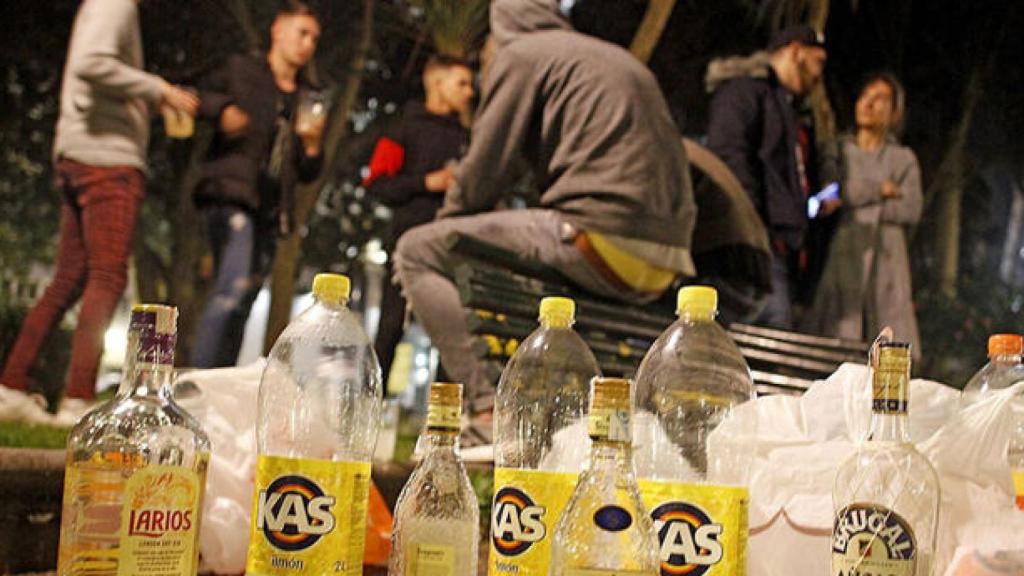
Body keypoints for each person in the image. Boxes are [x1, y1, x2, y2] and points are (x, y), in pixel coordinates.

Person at [394, 0, 696, 444]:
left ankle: (487, 410)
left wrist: (452, 233)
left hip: (598, 237)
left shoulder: (522, 54)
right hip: (666, 260)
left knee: (416, 250)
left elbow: (482, 170)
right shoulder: (607, 57)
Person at [0, 0, 198, 424]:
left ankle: (11, 387)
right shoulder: (116, 3)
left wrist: (145, 103)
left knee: (69, 278)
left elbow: (96, 72)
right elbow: (93, 64)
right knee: (108, 276)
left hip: (77, 152)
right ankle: (77, 399)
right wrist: (158, 89)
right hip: (107, 160)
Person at [190, 1, 324, 368]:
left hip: (272, 207)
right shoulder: (242, 70)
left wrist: (312, 148)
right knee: (230, 289)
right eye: (302, 33)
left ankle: (220, 383)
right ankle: (198, 385)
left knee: (245, 299)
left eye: (314, 38)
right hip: (232, 194)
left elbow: (309, 171)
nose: (308, 44)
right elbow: (196, 97)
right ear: (278, 31)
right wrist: (222, 112)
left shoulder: (308, 96)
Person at [363, 55, 473, 392]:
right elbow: (377, 184)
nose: (470, 92)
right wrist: (427, 183)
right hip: (405, 245)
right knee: (391, 328)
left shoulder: (469, 137)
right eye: (462, 83)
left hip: (454, 248)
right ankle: (366, 411)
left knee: (452, 333)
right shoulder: (402, 128)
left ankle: (445, 424)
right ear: (437, 83)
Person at [706, 25, 827, 329]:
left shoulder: (786, 107)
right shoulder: (745, 93)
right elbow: (729, 158)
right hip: (752, 244)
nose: (818, 75)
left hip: (776, 246)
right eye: (818, 62)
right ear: (796, 51)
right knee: (764, 336)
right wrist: (752, 225)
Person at [805, 73, 922, 353]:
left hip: (888, 263)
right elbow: (829, 196)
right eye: (865, 96)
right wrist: (879, 189)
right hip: (845, 258)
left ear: (894, 112)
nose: (868, 104)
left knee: (889, 351)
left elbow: (911, 208)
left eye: (879, 98)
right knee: (836, 345)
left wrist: (853, 199)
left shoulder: (903, 158)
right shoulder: (838, 151)